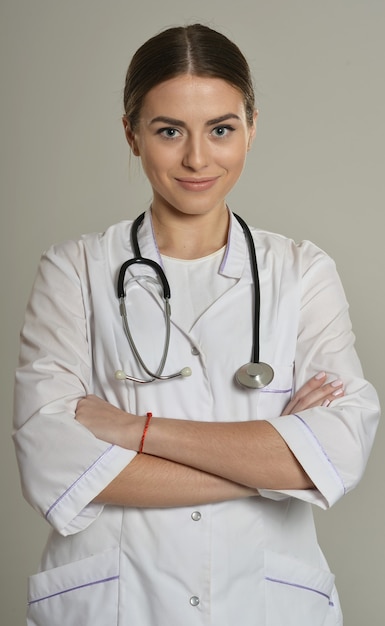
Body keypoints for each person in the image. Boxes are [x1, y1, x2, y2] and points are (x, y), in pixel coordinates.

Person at [13, 23, 380, 626]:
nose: (197, 158)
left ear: (252, 127)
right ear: (131, 134)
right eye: (168, 131)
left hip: (264, 603)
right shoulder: (73, 271)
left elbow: (338, 450)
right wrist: (270, 464)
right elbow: (53, 463)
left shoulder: (302, 272)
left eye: (221, 129)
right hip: (116, 604)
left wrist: (136, 429)